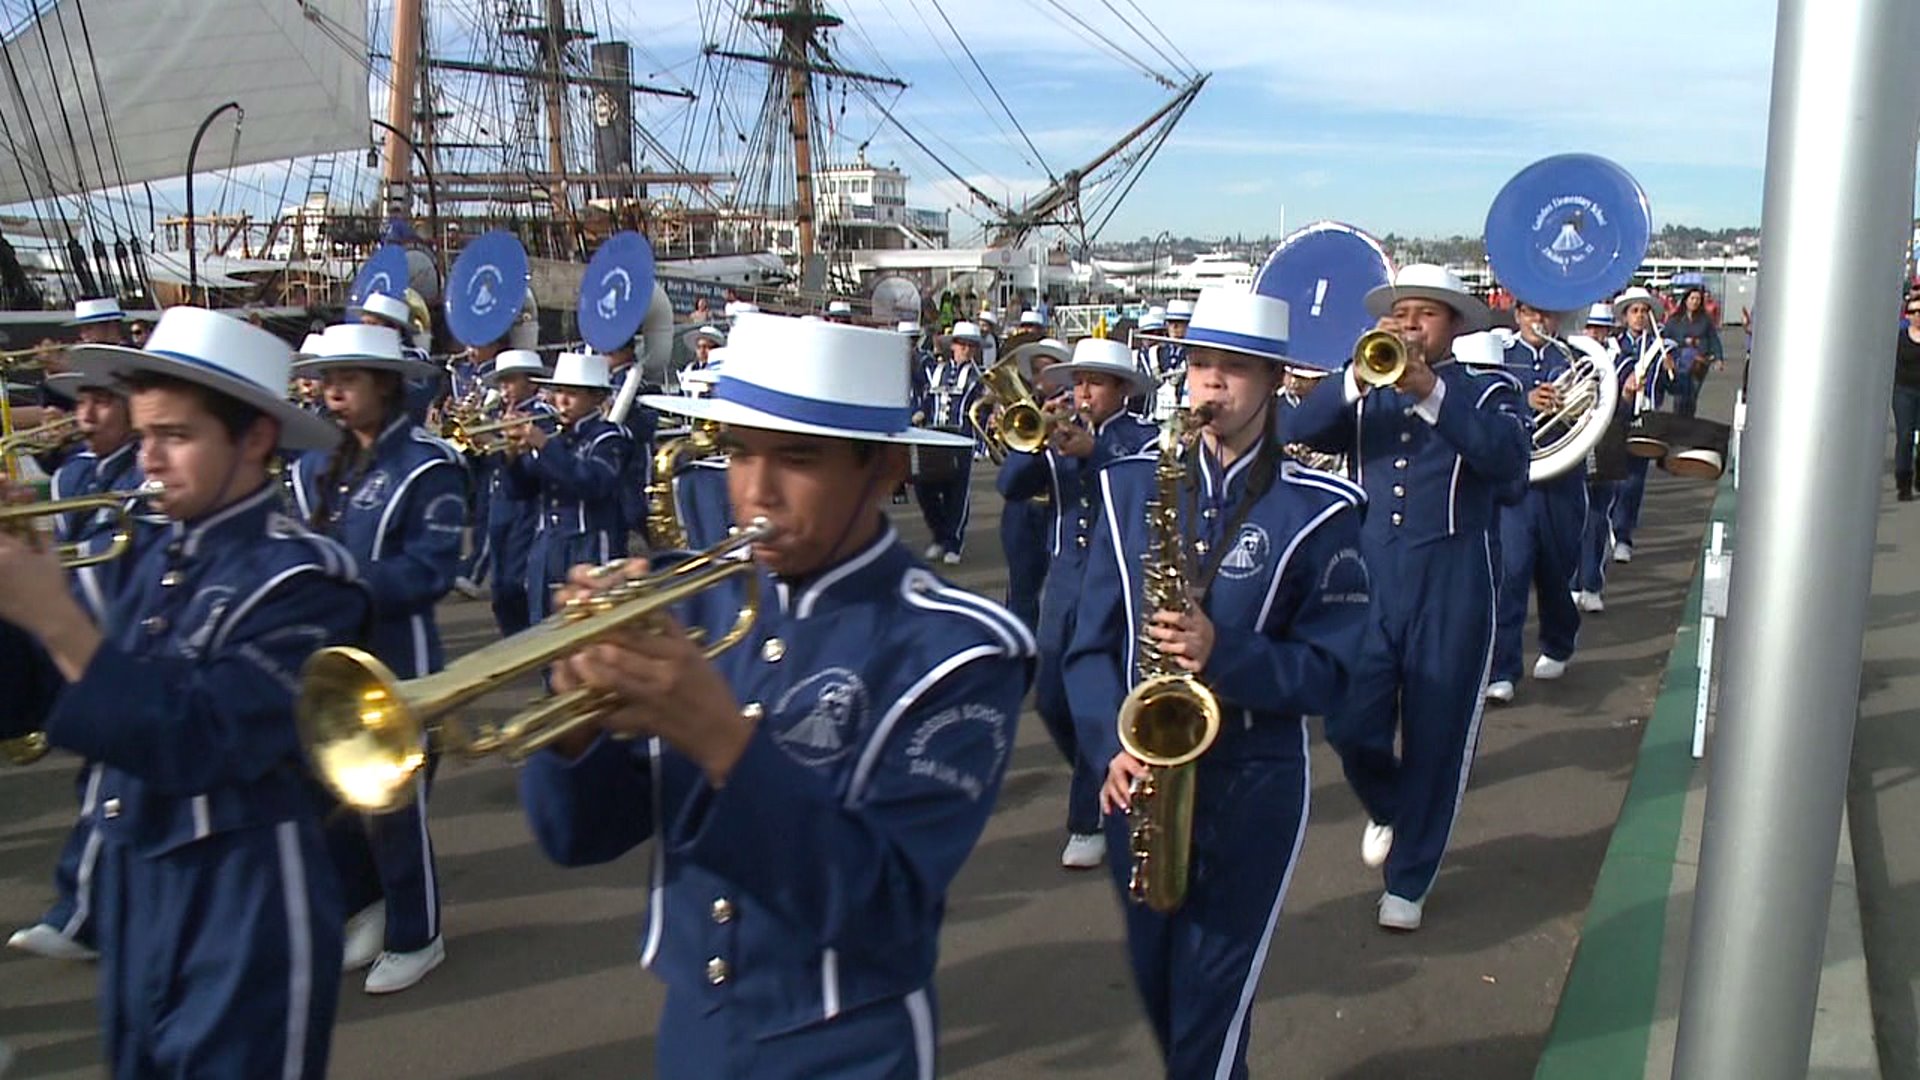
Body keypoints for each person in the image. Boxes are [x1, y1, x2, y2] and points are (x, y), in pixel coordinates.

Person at [520, 312, 1034, 1078]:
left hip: (846, 1044)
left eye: (797, 459)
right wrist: (573, 716)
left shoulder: (958, 650)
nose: (754, 492)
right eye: (736, 453)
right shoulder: (692, 601)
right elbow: (580, 838)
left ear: (886, 469)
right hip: (693, 1023)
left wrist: (723, 739)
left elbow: (886, 911)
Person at [0, 305, 362, 1077]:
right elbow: (25, 698)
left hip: (245, 892)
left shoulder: (304, 577)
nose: (148, 463)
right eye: (144, 437)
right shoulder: (138, 548)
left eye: (176, 437)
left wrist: (56, 617)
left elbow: (203, 738)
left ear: (256, 438)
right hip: (135, 880)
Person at [1067, 287, 1370, 1076]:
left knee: (1210, 1015)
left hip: (1252, 780)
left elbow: (1333, 674)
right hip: (1135, 785)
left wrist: (1222, 652)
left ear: (1274, 380)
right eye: (1201, 364)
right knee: (1172, 1005)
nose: (1211, 385)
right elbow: (1087, 649)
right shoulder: (1129, 485)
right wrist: (1109, 745)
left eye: (1234, 369)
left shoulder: (1321, 511)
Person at [1284, 264, 1529, 931]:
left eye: (1424, 314)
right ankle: (1392, 804)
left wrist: (1429, 393)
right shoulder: (1365, 385)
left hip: (1453, 582)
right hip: (1367, 579)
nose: (1408, 325)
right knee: (1348, 721)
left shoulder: (1489, 391)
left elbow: (1509, 468)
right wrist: (1354, 380)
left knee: (1437, 734)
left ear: (1453, 324)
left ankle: (1410, 877)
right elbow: (1295, 427)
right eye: (1399, 314)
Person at [289, 322, 465, 994]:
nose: (330, 392)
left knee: (393, 809)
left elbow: (431, 570)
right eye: (325, 378)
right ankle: (364, 908)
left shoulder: (428, 464)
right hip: (323, 657)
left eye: (347, 380)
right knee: (324, 796)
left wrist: (343, 581)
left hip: (397, 659)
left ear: (385, 386)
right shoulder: (309, 463)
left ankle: (419, 933)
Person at [998, 336, 1158, 869]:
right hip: (1066, 575)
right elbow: (1010, 485)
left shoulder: (1142, 438)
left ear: (1121, 390)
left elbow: (1149, 479)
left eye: (1093, 383)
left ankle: (1087, 816)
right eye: (1078, 382)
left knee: (1102, 684)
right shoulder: (1058, 432)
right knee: (1050, 697)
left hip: (1115, 576)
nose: (1082, 393)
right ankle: (1100, 771)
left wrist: (1096, 453)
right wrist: (1037, 441)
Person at [5, 365, 146, 963]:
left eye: (102, 403)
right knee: (107, 788)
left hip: (120, 641)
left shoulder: (149, 474)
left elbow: (114, 567)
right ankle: (85, 913)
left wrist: (43, 590)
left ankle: (84, 915)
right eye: (81, 402)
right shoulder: (73, 473)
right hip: (86, 641)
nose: (84, 417)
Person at [1487, 302, 1587, 702]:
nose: (1538, 321)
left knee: (1556, 570)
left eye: (1546, 314)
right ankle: (1503, 669)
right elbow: (1486, 406)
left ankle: (1559, 641)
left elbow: (1595, 411)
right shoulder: (1499, 357)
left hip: (1563, 480)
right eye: (1530, 313)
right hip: (1516, 481)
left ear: (1558, 318)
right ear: (1517, 316)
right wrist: (1525, 401)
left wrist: (1569, 403)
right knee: (1510, 572)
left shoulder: (1577, 358)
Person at [501, 350, 633, 621]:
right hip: (547, 544)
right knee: (543, 625)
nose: (561, 401)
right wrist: (512, 458)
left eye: (572, 394)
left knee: (589, 628)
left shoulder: (609, 437)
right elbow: (520, 492)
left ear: (596, 397)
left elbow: (593, 483)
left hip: (591, 543)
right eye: (558, 392)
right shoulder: (557, 439)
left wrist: (544, 446)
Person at [479, 349, 558, 634]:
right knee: (499, 583)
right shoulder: (497, 414)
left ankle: (525, 636)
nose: (504, 388)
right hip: (500, 499)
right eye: (502, 382)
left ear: (532, 383)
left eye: (510, 381)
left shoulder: (541, 414)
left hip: (528, 502)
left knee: (516, 580)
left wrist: (496, 439)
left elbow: (535, 460)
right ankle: (510, 636)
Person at [1608, 286, 1671, 563]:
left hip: (1645, 418)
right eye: (1634, 311)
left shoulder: (1661, 346)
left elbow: (1677, 386)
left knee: (1634, 481)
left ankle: (1623, 536)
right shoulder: (1612, 346)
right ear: (1624, 316)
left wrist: (1674, 369)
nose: (1640, 316)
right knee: (1609, 477)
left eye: (1645, 311)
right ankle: (1605, 528)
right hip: (1614, 417)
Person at [914, 322, 982, 564]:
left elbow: (982, 412)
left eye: (970, 346)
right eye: (961, 344)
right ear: (953, 346)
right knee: (924, 487)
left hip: (961, 438)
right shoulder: (937, 370)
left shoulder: (979, 376)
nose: (965, 349)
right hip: (934, 436)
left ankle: (953, 542)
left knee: (957, 492)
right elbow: (926, 400)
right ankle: (939, 536)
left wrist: (980, 444)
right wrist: (920, 413)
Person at [1575, 303, 1630, 607]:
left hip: (1607, 441)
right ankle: (1572, 583)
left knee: (1597, 517)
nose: (1594, 334)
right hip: (1574, 443)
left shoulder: (1620, 362)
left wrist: (1627, 395)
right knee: (1572, 516)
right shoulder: (1568, 358)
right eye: (1590, 327)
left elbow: (1624, 410)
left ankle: (1592, 585)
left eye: (1600, 328)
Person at [1664, 287, 1723, 419]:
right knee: (1680, 395)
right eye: (1692, 298)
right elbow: (1666, 339)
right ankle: (1678, 422)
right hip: (1680, 362)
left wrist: (1718, 358)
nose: (1695, 302)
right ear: (1686, 300)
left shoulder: (1705, 320)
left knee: (1692, 395)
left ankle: (1689, 422)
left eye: (1698, 299)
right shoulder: (1675, 320)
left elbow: (1713, 339)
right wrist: (1684, 341)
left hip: (1699, 363)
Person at [1895, 294, 1920, 501]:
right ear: (1908, 315)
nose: (1918, 316)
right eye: (1913, 311)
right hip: (1904, 392)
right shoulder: (1900, 339)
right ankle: (1903, 482)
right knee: (1905, 437)